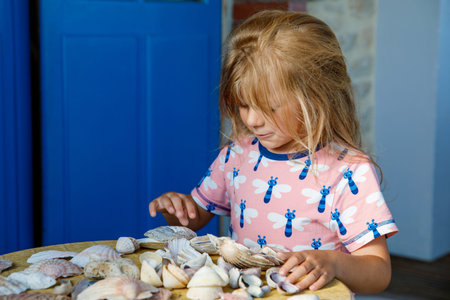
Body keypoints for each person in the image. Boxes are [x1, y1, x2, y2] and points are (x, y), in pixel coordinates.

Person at [148, 10, 398, 294]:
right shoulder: (236, 156)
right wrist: (178, 209)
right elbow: (196, 218)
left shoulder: (348, 172)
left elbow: (379, 272)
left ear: (316, 98)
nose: (252, 120)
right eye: (243, 105)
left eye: (268, 107)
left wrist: (335, 263)